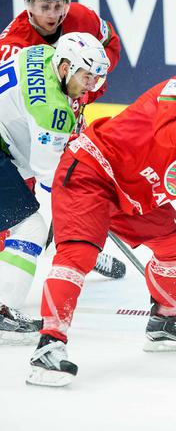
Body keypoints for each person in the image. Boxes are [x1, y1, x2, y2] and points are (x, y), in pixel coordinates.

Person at [24, 49, 176, 387]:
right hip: (93, 171)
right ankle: (49, 345)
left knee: (175, 242)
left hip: (131, 197)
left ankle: (164, 323)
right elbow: (168, 131)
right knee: (80, 253)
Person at [0, 0, 125, 280]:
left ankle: (80, 242)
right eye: (44, 7)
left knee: (89, 179)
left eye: (59, 6)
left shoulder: (82, 17)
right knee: (26, 205)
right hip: (21, 134)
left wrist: (83, 90)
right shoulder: (12, 46)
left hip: (64, 119)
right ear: (28, 3)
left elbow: (111, 44)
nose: (53, 14)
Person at [0, 33, 109, 345]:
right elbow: (52, 178)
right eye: (85, 75)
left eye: (95, 76)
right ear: (65, 68)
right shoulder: (52, 109)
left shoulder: (42, 53)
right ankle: (3, 305)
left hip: (5, 144)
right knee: (31, 228)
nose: (90, 84)